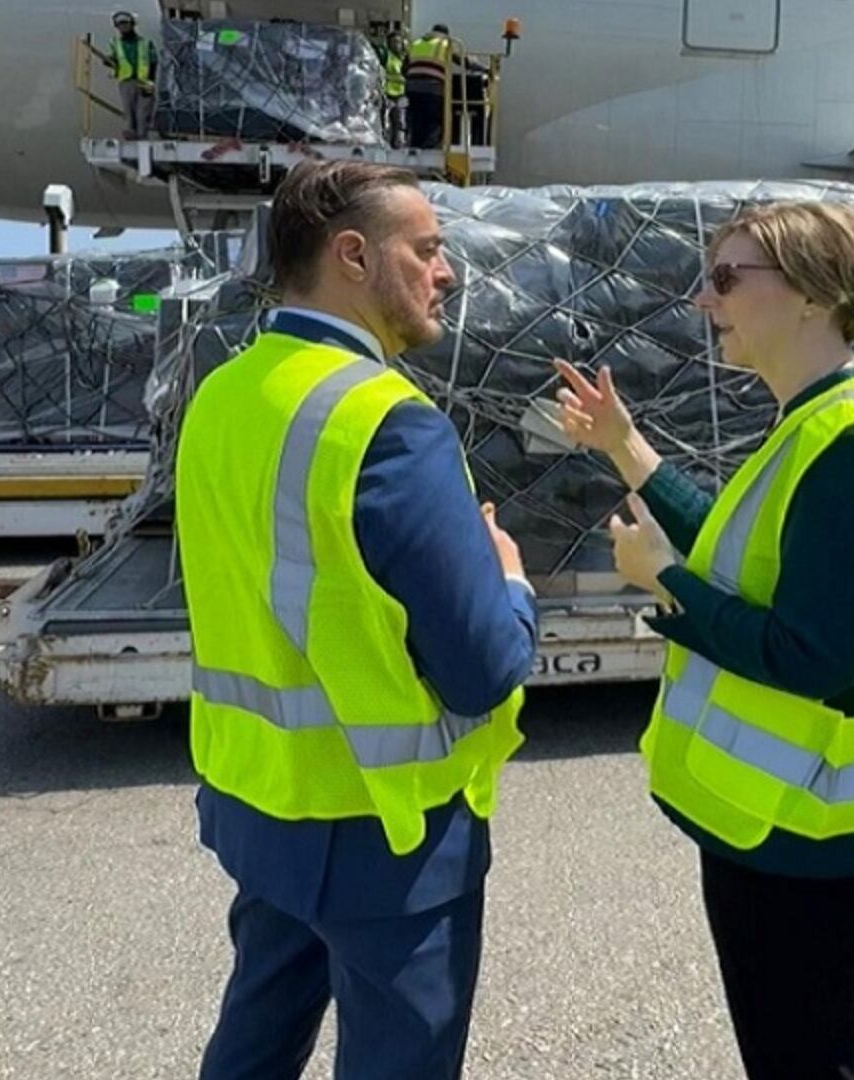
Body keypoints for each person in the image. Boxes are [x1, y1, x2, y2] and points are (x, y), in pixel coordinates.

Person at [552, 202, 854, 1080]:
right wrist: (626, 447)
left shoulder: (853, 444)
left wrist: (664, 583)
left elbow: (816, 654)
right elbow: (740, 557)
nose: (708, 302)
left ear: (816, 296)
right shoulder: (822, 418)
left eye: (727, 279)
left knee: (805, 1062)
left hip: (806, 836)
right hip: (781, 829)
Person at [176, 160, 540, 1080]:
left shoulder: (222, 392)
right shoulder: (387, 420)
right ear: (351, 255)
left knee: (254, 1040)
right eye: (426, 249)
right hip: (387, 836)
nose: (445, 272)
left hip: (261, 802)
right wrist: (510, 581)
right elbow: (484, 664)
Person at [106, 11, 157, 140]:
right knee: (129, 114)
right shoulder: (116, 44)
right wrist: (109, 61)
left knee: (142, 114)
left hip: (144, 82)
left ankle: (141, 139)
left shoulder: (145, 43)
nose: (123, 28)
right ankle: (131, 136)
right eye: (120, 25)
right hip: (126, 83)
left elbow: (153, 62)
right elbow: (114, 59)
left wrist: (150, 83)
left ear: (132, 24)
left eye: (126, 24)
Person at [402, 24, 454, 149]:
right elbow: (464, 61)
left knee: (417, 118)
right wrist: (484, 68)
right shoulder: (445, 44)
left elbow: (404, 68)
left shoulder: (417, 43)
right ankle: (429, 146)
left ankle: (414, 145)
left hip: (412, 88)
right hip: (433, 88)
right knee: (436, 119)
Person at [379, 29, 409, 148]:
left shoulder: (404, 58)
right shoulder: (387, 56)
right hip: (388, 94)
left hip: (401, 94)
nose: (396, 44)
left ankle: (398, 144)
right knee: (386, 122)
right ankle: (386, 144)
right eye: (393, 42)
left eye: (398, 42)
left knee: (400, 120)